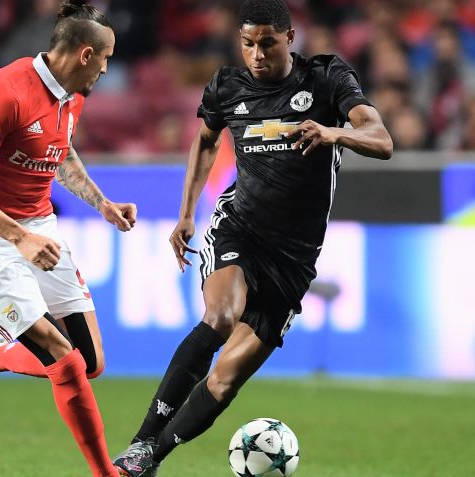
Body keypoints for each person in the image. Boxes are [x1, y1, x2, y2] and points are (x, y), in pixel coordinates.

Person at [112, 1, 393, 475]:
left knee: (224, 382)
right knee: (221, 315)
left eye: (267, 43)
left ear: (289, 38)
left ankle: (152, 459)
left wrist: (335, 133)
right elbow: (206, 140)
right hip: (240, 228)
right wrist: (186, 214)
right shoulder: (227, 86)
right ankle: (140, 443)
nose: (257, 54)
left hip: (294, 261)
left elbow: (381, 139)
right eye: (248, 44)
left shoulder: (325, 78)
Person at [0, 2, 136, 476]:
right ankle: (105, 472)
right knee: (63, 359)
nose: (106, 68)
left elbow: (59, 149)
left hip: (39, 227)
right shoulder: (0, 94)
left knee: (90, 363)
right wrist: (18, 237)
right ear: (85, 54)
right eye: (105, 58)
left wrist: (101, 202)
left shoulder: (72, 94)